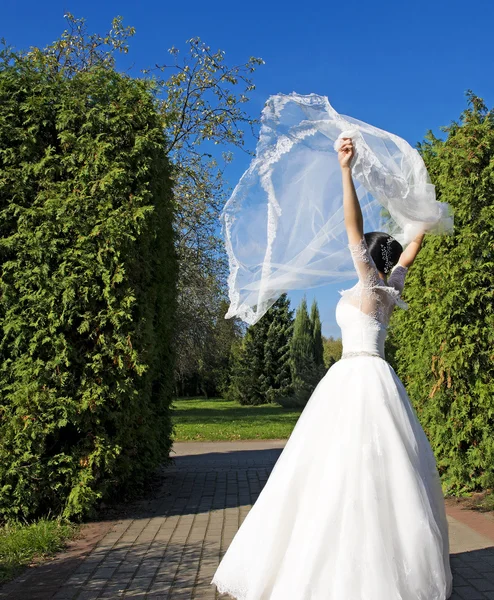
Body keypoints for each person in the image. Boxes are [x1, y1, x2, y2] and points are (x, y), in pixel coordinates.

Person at [211, 138, 453, 600]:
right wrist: (422, 212)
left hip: (352, 379)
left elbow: (351, 225)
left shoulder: (368, 282)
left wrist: (346, 171)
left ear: (369, 256)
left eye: (363, 249)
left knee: (337, 465)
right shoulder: (391, 289)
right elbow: (414, 243)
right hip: (377, 379)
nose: (356, 249)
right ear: (391, 260)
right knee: (380, 469)